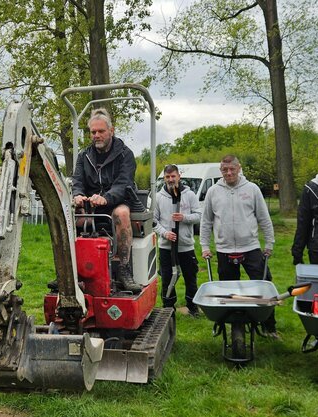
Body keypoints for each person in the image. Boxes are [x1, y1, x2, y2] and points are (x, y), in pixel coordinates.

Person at [200, 155, 278, 337]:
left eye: (232, 169)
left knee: (264, 286)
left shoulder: (252, 189)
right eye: (224, 170)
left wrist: (269, 242)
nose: (228, 173)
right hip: (224, 249)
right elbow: (206, 222)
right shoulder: (213, 191)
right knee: (227, 292)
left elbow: (264, 218)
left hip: (250, 247)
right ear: (221, 171)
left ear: (238, 168)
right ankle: (230, 326)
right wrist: (205, 245)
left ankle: (269, 326)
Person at [72, 108, 142, 293]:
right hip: (92, 205)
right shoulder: (83, 156)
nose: (96, 135)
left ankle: (123, 269)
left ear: (111, 131)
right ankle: (72, 268)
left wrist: (106, 198)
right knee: (71, 215)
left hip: (116, 201)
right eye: (93, 132)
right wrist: (78, 195)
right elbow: (77, 181)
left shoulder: (125, 155)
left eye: (101, 131)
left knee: (121, 214)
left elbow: (123, 184)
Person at [153, 164, 201, 316]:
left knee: (190, 277)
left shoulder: (189, 194)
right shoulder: (158, 197)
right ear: (164, 178)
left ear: (179, 176)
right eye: (167, 177)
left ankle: (193, 307)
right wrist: (165, 233)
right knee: (167, 278)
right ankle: (168, 309)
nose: (170, 179)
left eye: (173, 176)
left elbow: (199, 215)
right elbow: (153, 221)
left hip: (186, 246)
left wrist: (184, 218)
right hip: (167, 247)